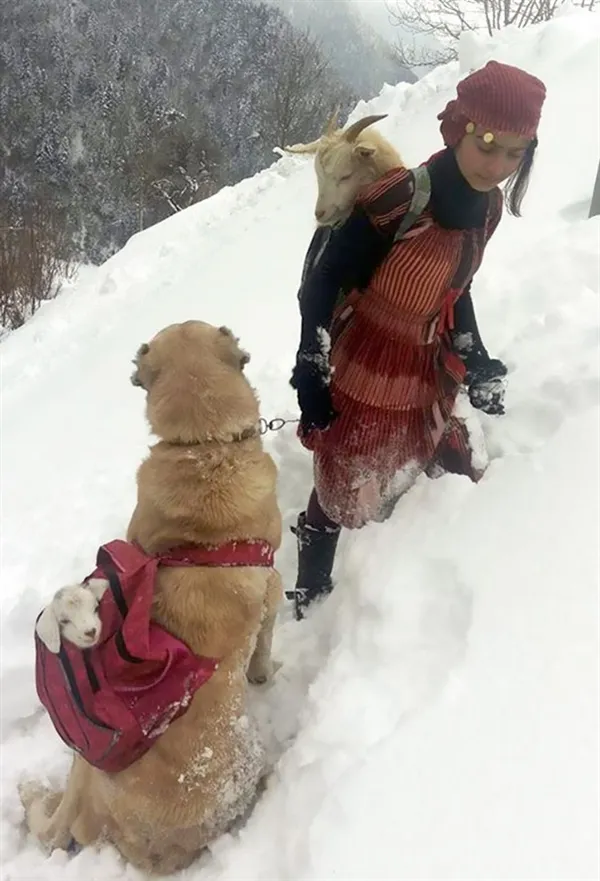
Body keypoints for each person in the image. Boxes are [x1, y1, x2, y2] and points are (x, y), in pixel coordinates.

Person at [288, 60, 547, 620]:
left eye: (514, 151)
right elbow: (325, 278)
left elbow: (458, 287)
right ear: (459, 128)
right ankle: (312, 583)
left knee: (426, 450)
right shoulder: (400, 198)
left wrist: (475, 358)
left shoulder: (488, 208)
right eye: (486, 143)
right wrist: (311, 365)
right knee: (344, 475)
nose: (497, 164)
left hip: (425, 359)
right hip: (368, 356)